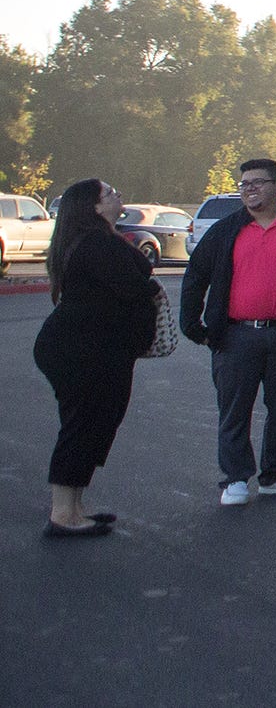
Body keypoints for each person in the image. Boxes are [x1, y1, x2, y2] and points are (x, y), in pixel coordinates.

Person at [179, 157, 276, 505]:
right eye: (244, 184)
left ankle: (275, 475)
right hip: (236, 335)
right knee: (234, 410)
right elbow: (196, 276)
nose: (249, 190)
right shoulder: (226, 230)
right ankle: (235, 479)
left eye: (257, 183)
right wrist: (193, 325)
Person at [32, 179, 157, 538]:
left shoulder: (93, 240)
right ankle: (63, 514)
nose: (119, 196)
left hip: (88, 348)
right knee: (83, 426)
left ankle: (74, 508)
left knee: (91, 424)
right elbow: (133, 286)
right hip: (81, 350)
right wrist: (149, 290)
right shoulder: (97, 245)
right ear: (95, 207)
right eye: (110, 193)